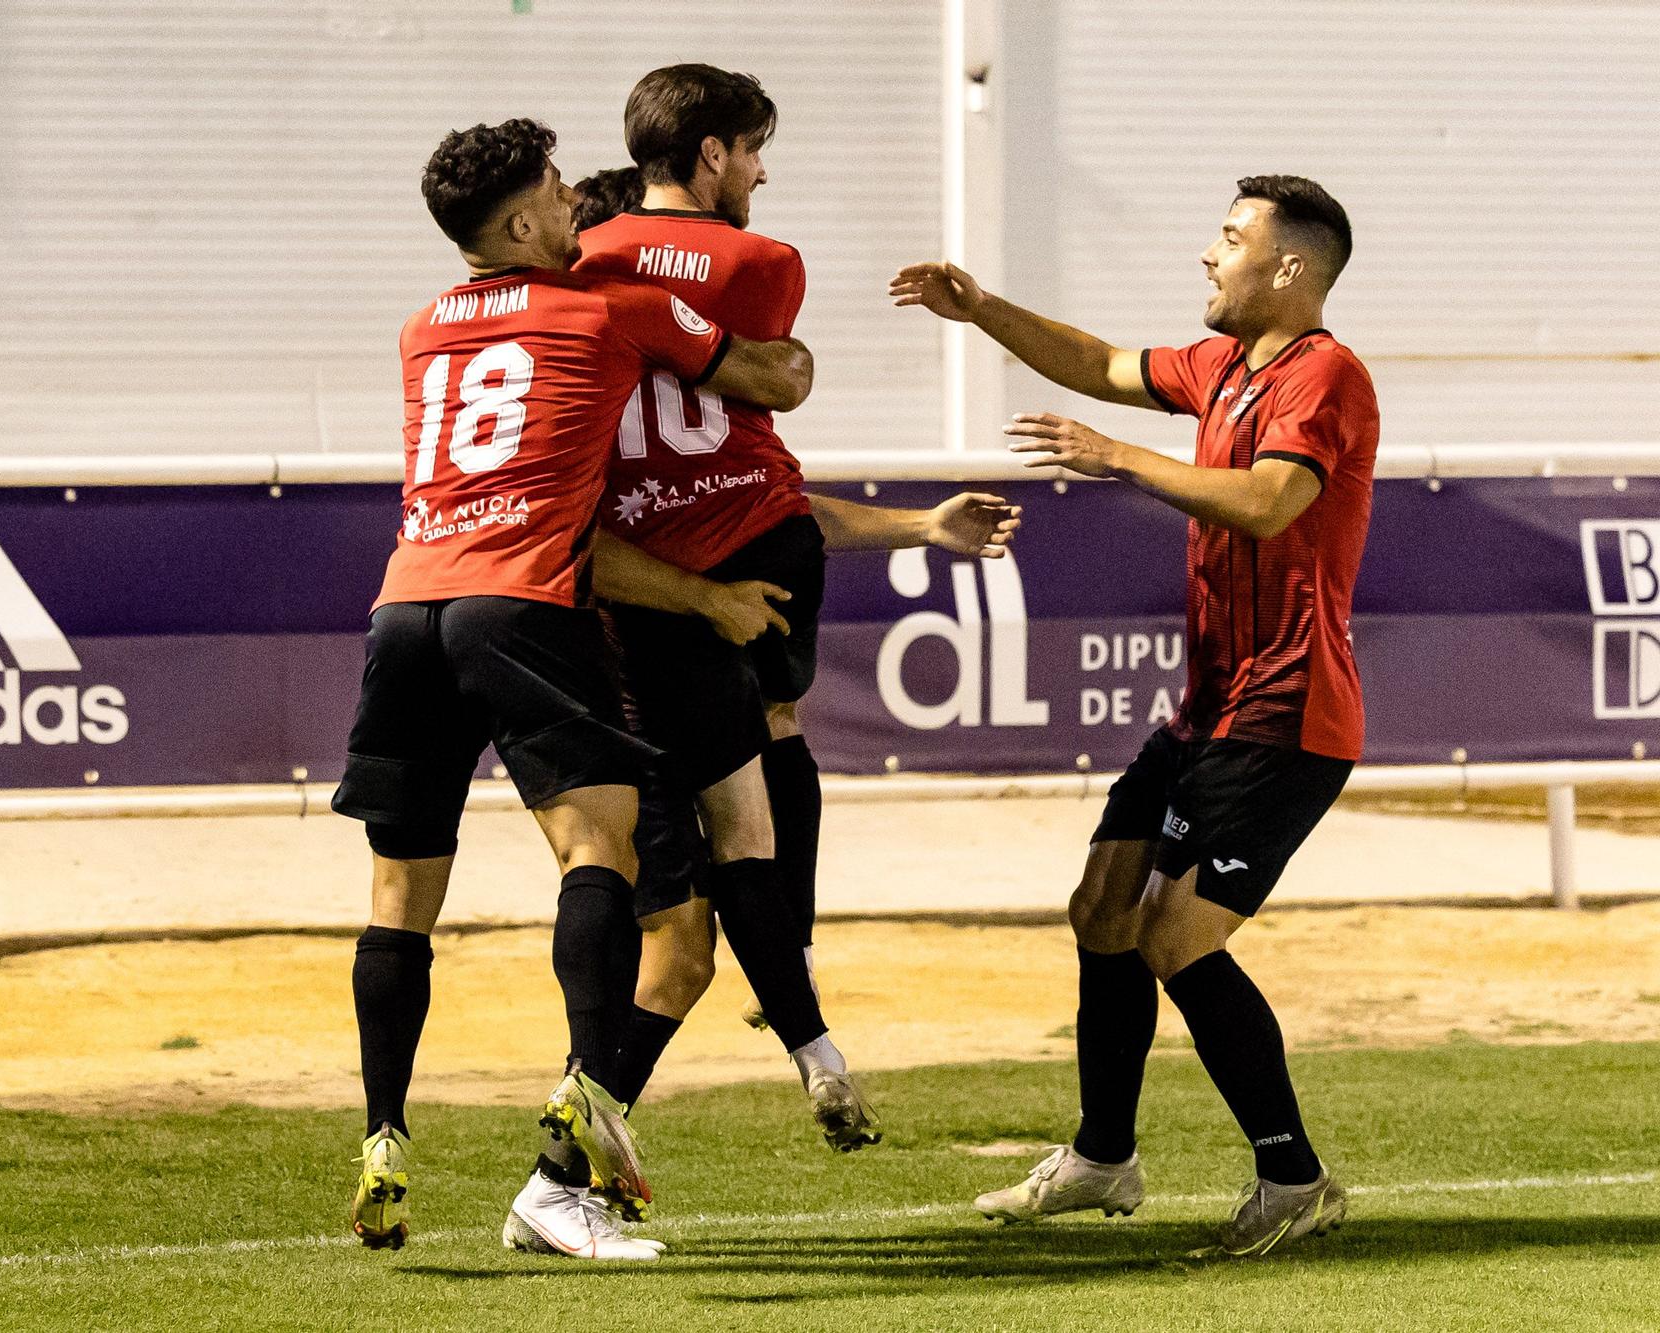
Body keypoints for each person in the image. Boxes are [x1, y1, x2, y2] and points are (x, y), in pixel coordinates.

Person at [334, 116, 813, 1259]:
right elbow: (772, 379)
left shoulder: (416, 330)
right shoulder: (608, 309)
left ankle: (383, 1133)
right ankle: (581, 1111)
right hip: (524, 605)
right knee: (601, 854)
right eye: (556, 196)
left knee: (398, 902)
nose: (575, 215)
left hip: (404, 607)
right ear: (515, 222)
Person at [892, 175, 1378, 1258]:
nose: (1209, 255)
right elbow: (1103, 364)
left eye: (1228, 237)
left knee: (1172, 935)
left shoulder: (1325, 376)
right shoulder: (1220, 366)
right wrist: (981, 309)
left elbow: (1267, 500)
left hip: (1285, 714)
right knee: (1103, 904)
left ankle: (1292, 1177)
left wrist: (1114, 457)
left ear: (1288, 268)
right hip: (1207, 708)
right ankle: (1102, 1159)